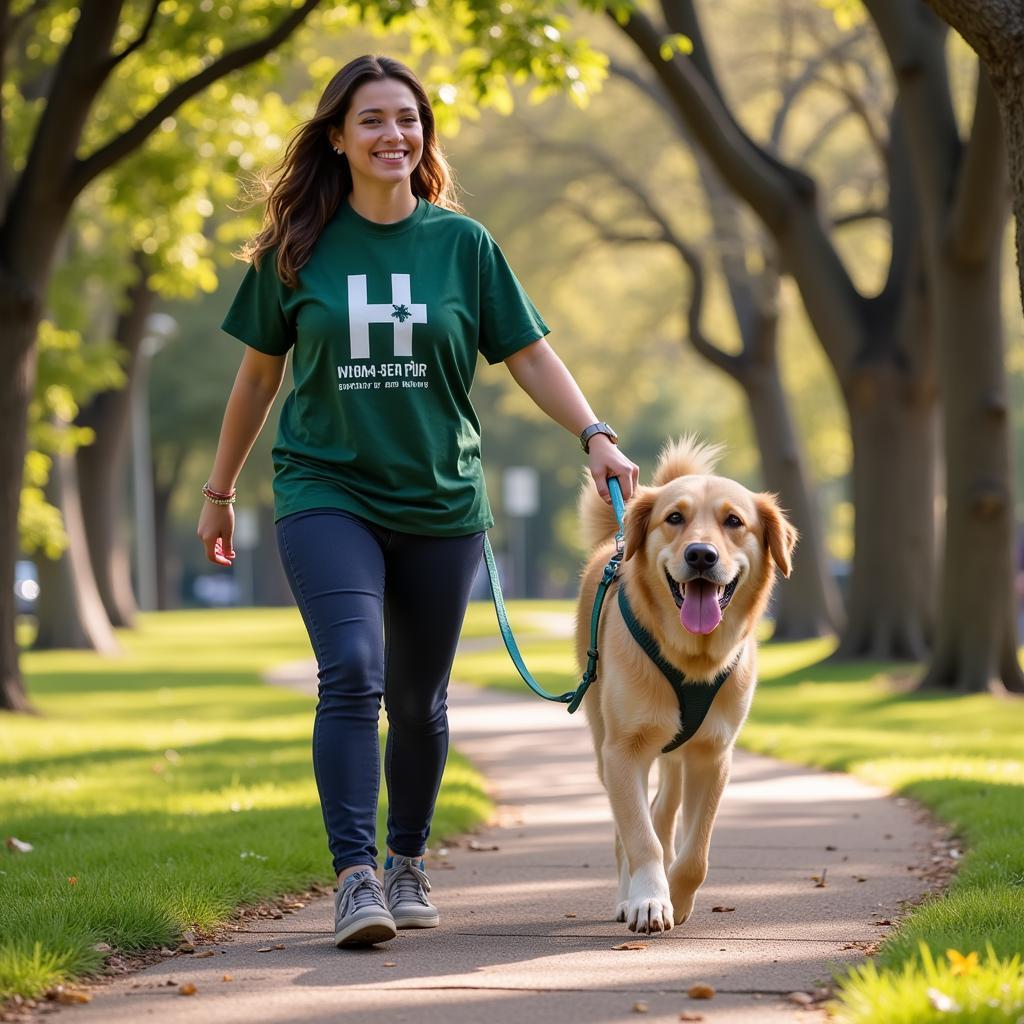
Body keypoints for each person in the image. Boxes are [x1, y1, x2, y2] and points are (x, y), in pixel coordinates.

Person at [197, 54, 638, 949]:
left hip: (441, 501)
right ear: (338, 137)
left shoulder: (464, 247)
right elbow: (254, 380)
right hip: (326, 490)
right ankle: (355, 876)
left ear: (424, 135)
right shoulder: (298, 251)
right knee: (353, 670)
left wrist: (594, 433)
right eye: (372, 120)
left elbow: (529, 354)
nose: (394, 134)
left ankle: (406, 860)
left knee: (421, 696)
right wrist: (219, 491)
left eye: (408, 118)